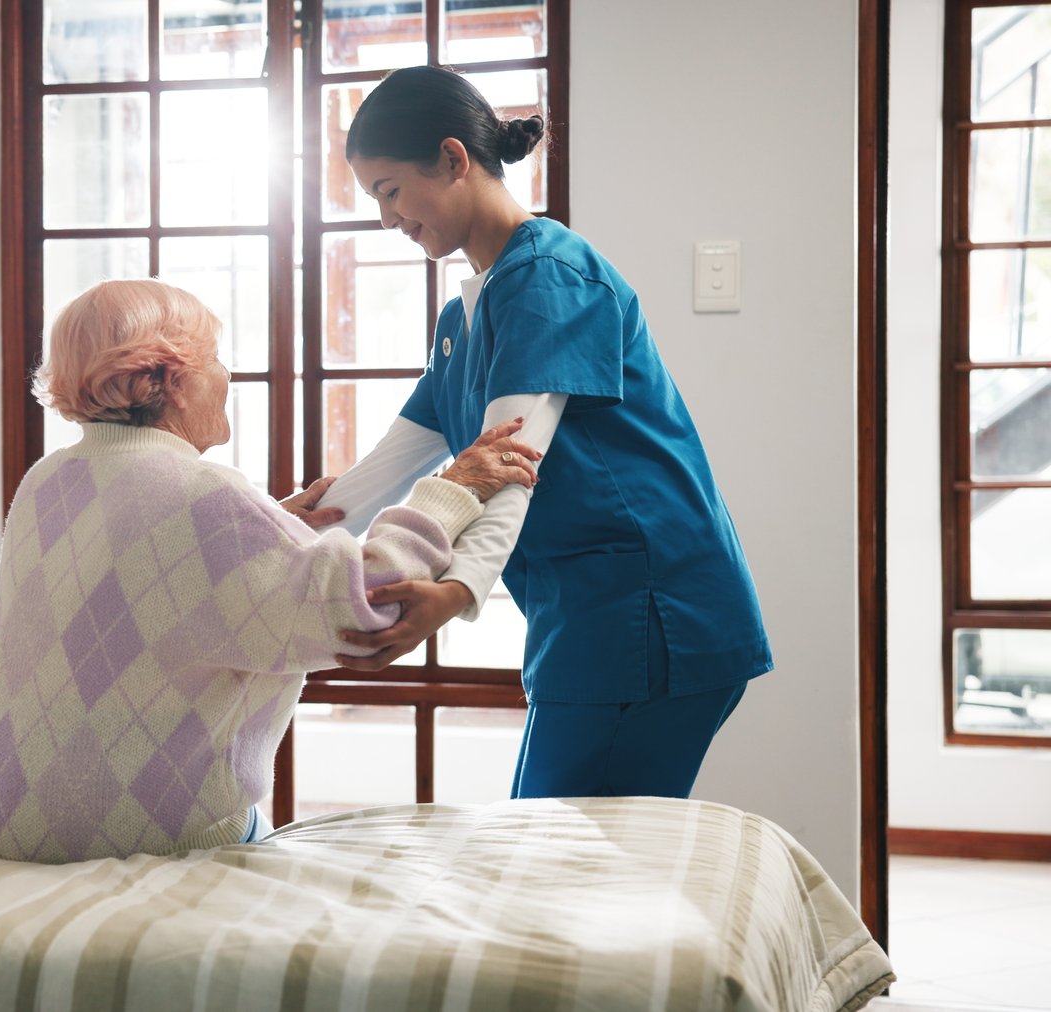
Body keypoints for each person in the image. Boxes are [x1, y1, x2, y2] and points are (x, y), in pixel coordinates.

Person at [0, 279, 539, 862]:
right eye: (216, 359)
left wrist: (276, 527)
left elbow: (135, 577)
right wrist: (451, 489)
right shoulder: (203, 493)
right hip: (120, 829)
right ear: (169, 378)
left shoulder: (46, 480)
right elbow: (364, 604)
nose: (228, 377)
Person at [314, 66, 772, 801]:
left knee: (564, 865)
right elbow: (389, 465)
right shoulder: (463, 319)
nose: (387, 220)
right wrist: (291, 528)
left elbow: (506, 462)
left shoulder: (550, 278)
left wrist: (457, 588)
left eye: (391, 191)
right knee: (558, 859)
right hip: (587, 618)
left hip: (651, 614)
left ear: (454, 158)